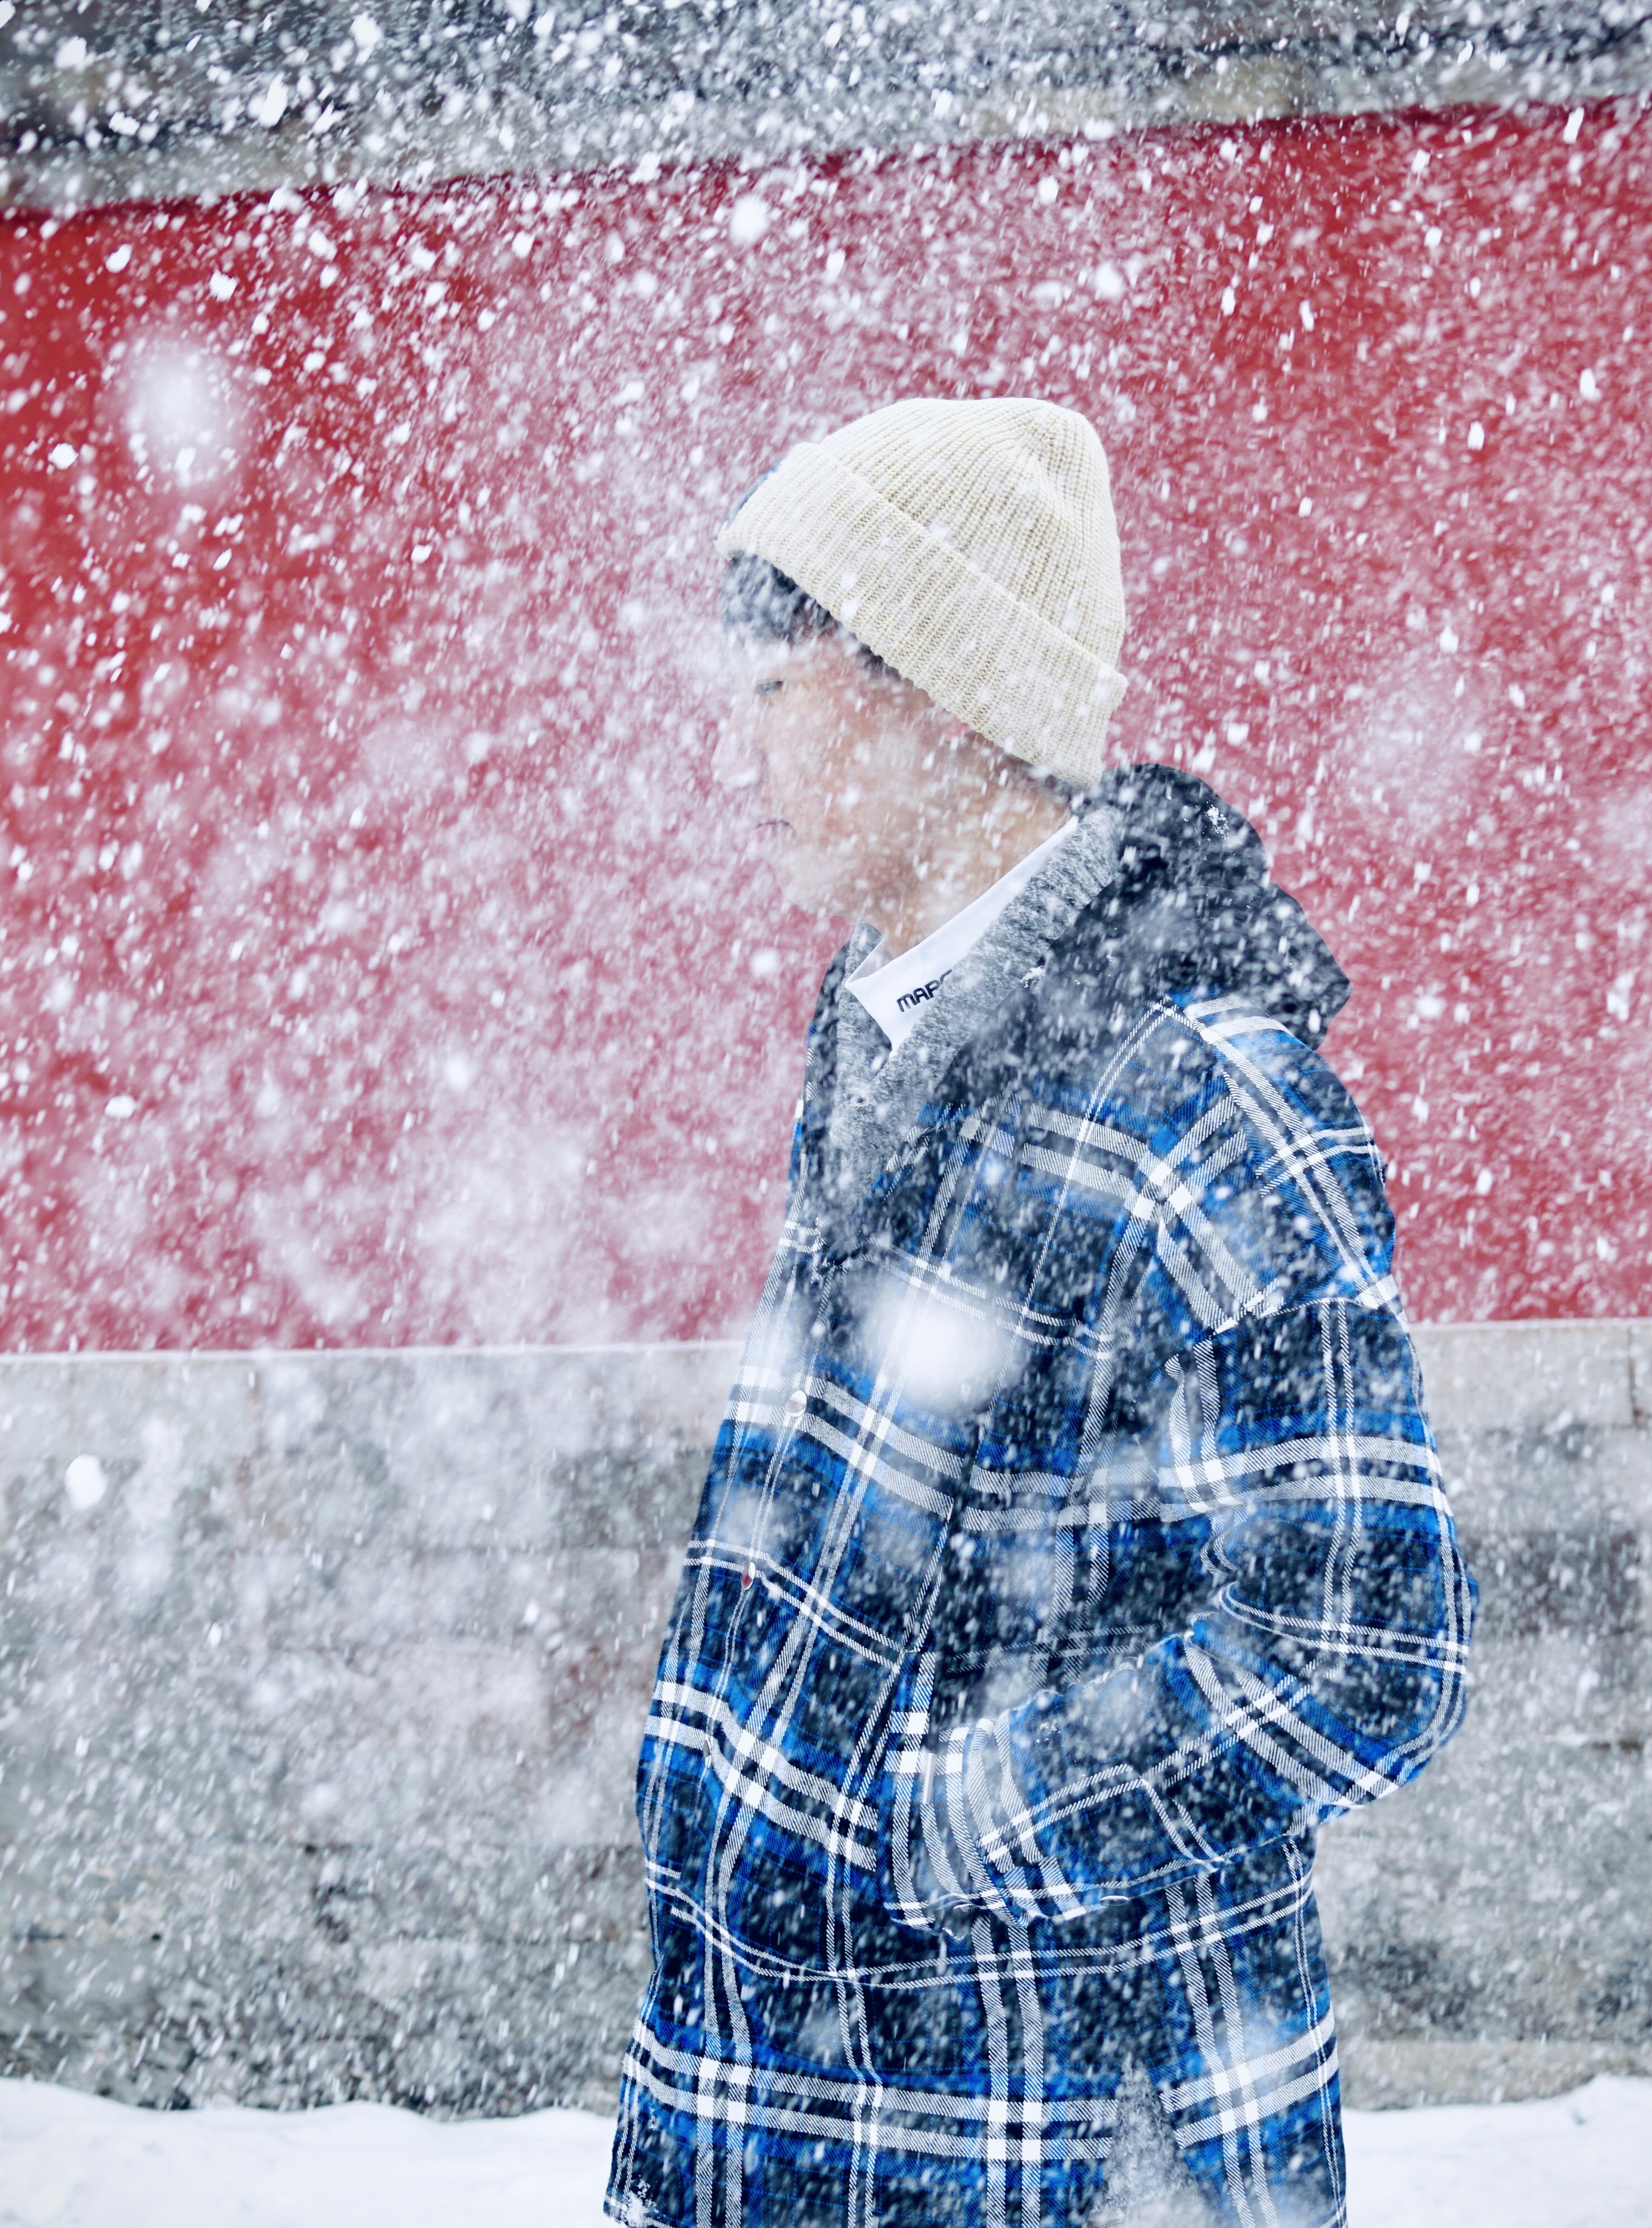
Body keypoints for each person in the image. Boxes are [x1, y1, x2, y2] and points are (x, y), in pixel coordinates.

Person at [609, 395, 1476, 2228]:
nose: (735, 740)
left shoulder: (1202, 1102)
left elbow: (1369, 1648)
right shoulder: (881, 1038)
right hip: (786, 2132)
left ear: (927, 691)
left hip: (1057, 2149)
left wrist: (928, 1825)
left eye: (776, 684)